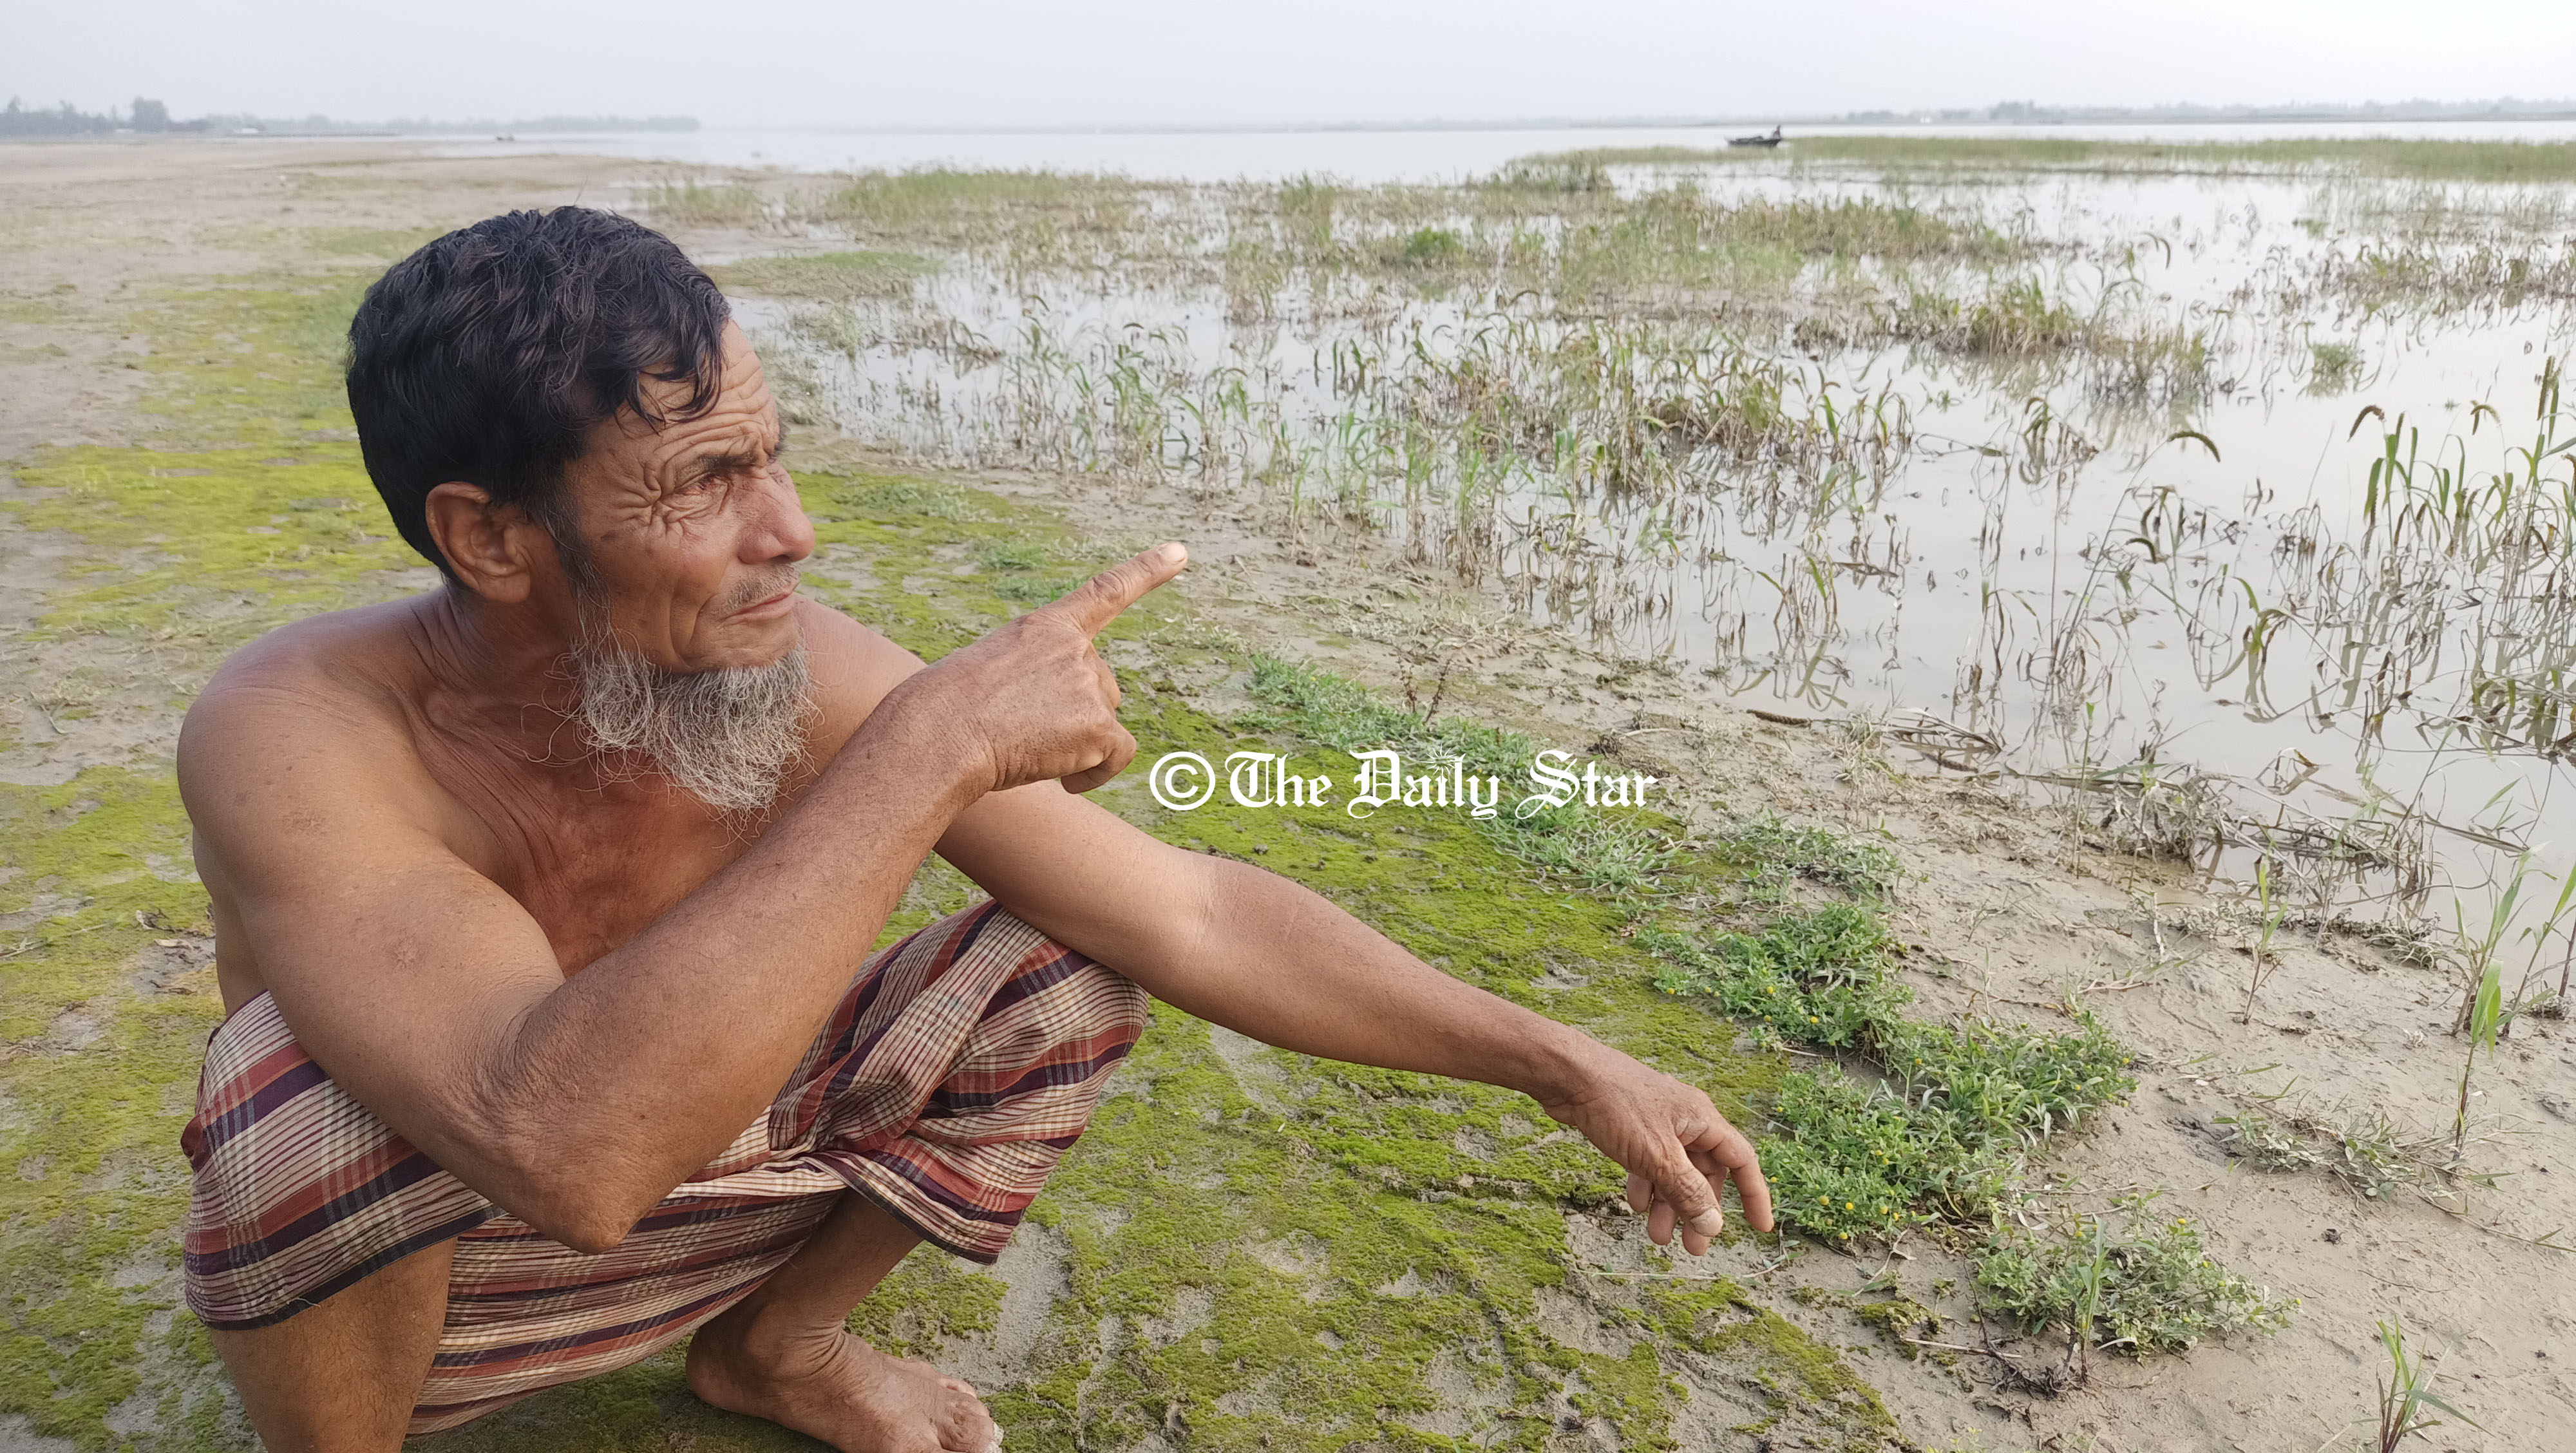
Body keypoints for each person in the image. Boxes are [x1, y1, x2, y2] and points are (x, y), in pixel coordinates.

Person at [175, 206, 1773, 1452]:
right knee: (285, 1096)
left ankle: (771, 1349)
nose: (788, 532)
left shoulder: (792, 670)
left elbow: (1191, 914)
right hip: (445, 1277)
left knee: (1059, 969)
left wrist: (1564, 1061)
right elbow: (564, 1150)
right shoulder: (299, 734)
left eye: (774, 456)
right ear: (489, 536)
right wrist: (927, 752)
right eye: (705, 480)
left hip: (718, 1195)